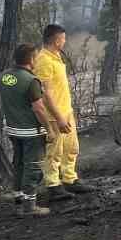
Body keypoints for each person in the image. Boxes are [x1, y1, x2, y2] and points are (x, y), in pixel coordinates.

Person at [33, 24, 96, 200]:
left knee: (71, 147)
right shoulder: (43, 60)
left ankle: (70, 179)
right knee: (54, 151)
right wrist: (59, 117)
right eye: (63, 38)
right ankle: (53, 185)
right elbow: (45, 93)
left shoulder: (56, 57)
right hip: (54, 116)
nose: (65, 41)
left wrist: (66, 113)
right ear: (55, 40)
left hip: (65, 111)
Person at [0, 44, 57, 216]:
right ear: (31, 59)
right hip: (30, 132)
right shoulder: (31, 81)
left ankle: (18, 201)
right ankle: (30, 206)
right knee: (33, 167)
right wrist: (49, 129)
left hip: (13, 129)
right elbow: (38, 109)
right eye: (36, 57)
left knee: (18, 164)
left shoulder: (4, 76)